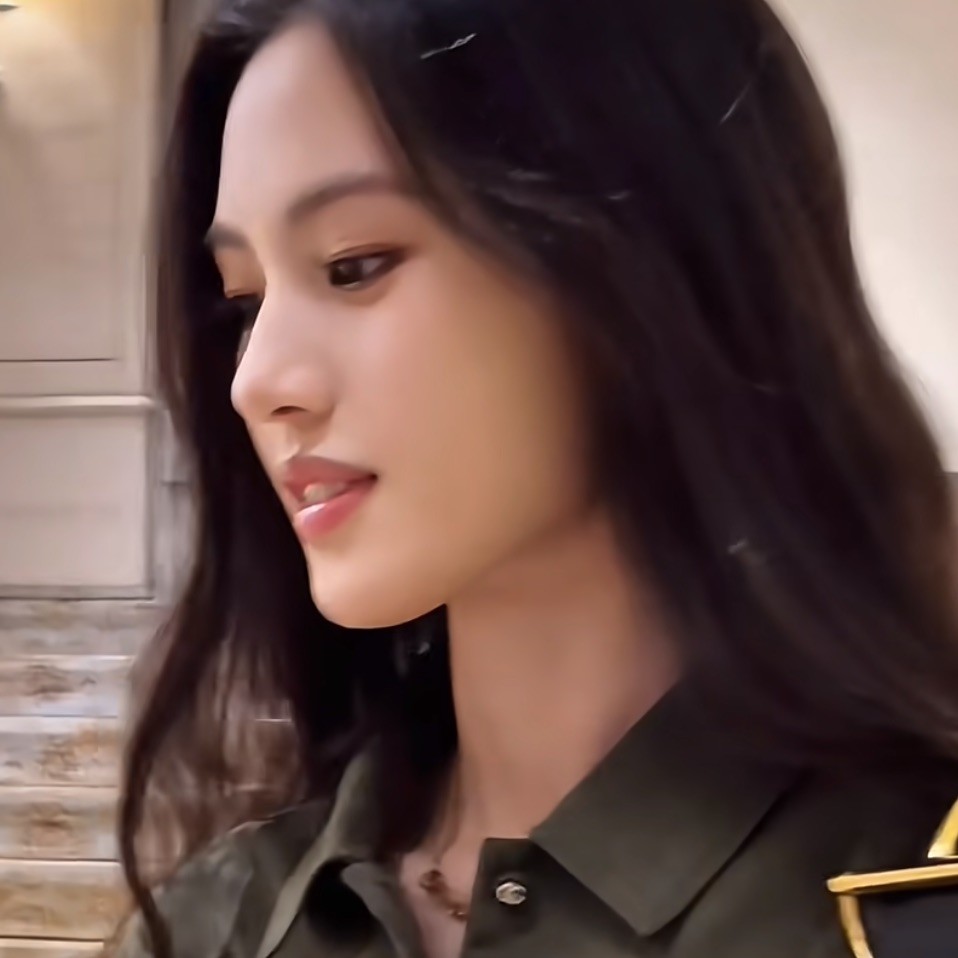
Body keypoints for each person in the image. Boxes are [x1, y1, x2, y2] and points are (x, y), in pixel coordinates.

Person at [115, 1, 958, 957]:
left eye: (354, 266)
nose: (257, 380)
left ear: (649, 254)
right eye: (245, 301)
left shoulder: (909, 903)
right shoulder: (212, 927)